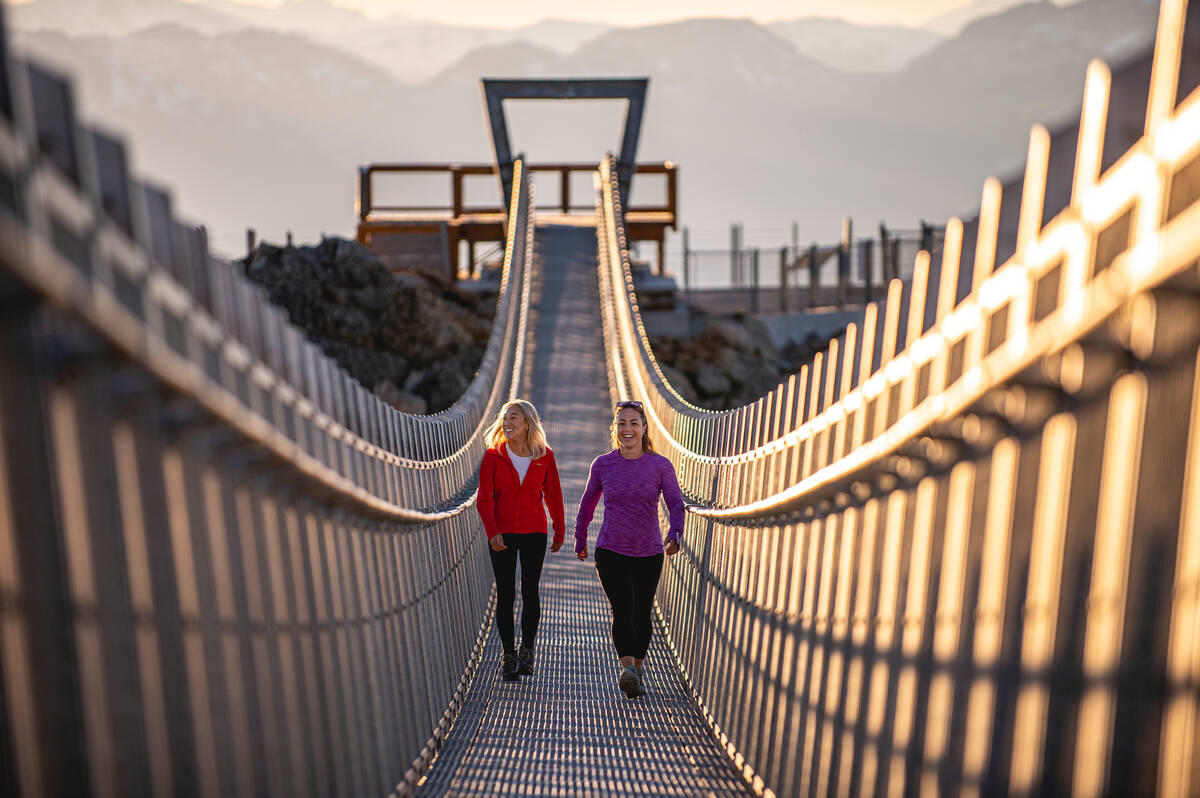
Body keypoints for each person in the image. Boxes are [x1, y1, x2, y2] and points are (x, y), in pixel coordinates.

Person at [575, 399, 684, 699]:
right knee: (622, 609)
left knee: (642, 613)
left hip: (649, 551)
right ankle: (627, 669)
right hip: (610, 550)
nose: (628, 429)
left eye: (634, 423)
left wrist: (675, 532)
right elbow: (587, 502)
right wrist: (580, 537)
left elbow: (675, 502)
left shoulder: (660, 466)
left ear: (644, 428)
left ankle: (637, 667)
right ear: (615, 428)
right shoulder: (603, 464)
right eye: (622, 423)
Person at [477, 399, 565, 681]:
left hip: (534, 532)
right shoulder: (493, 456)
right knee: (506, 593)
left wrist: (559, 529)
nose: (507, 422)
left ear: (528, 422)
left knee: (530, 590)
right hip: (501, 533)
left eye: (513, 417)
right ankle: (508, 654)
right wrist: (492, 532)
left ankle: (527, 651)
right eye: (504, 418)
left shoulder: (544, 456)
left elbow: (553, 495)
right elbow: (484, 500)